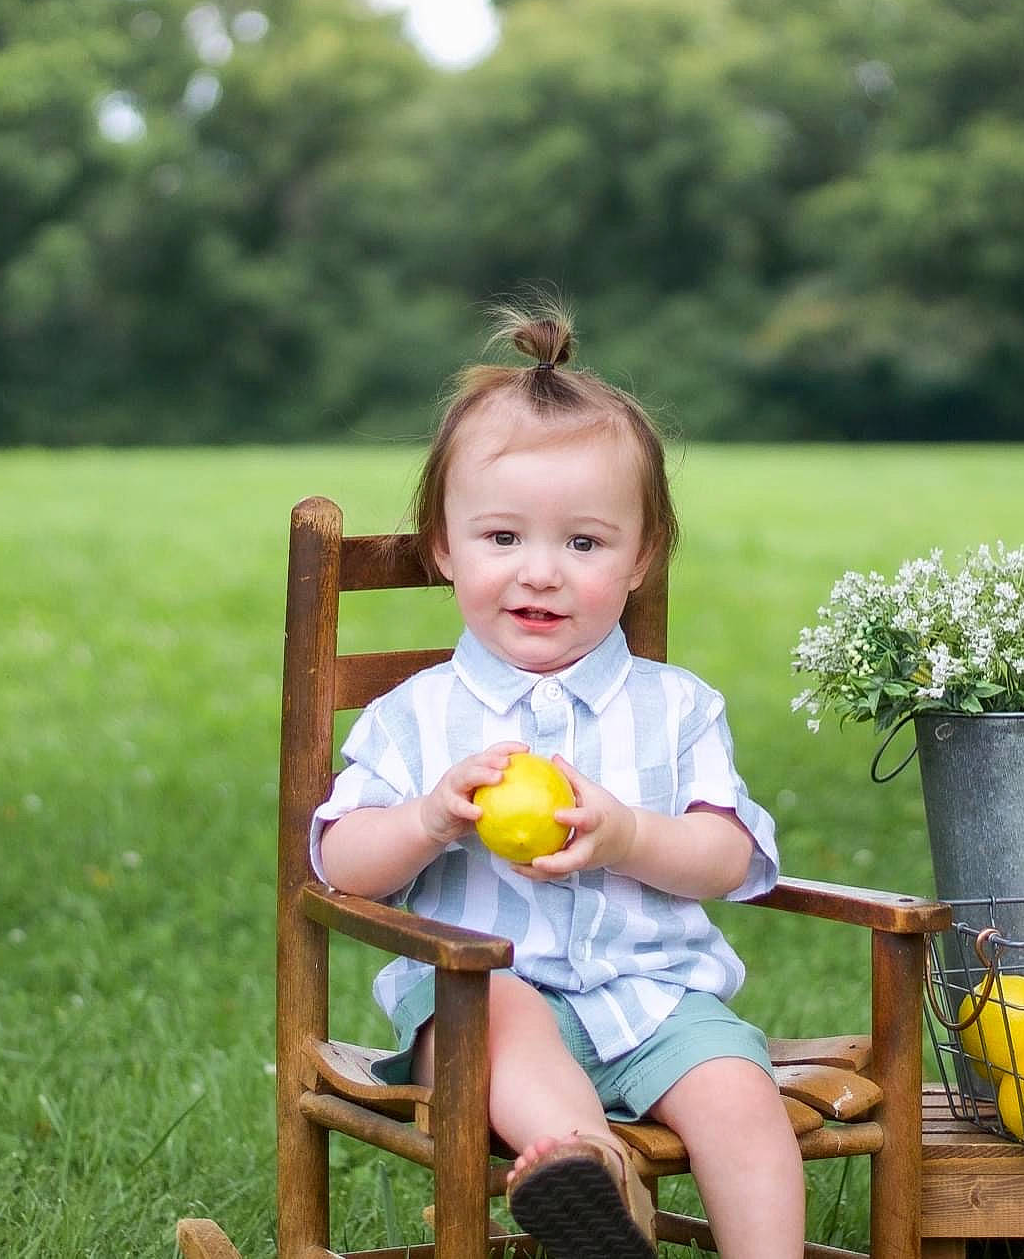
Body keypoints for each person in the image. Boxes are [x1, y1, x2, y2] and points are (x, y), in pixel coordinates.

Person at [312, 305, 804, 1259]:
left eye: (583, 544)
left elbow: (728, 856)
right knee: (503, 1012)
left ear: (640, 557)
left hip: (658, 1001)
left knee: (741, 1098)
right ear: (444, 546)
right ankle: (594, 1183)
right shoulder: (417, 716)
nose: (540, 573)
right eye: (502, 537)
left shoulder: (677, 706)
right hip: (478, 1005)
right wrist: (429, 817)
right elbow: (340, 863)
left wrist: (629, 834)